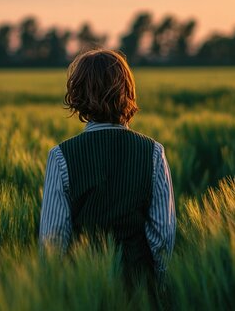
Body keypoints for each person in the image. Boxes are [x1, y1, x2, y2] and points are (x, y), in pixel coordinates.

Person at [38, 49, 176, 290]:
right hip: (138, 288)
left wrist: (55, 294)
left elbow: (53, 240)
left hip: (83, 287)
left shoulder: (60, 156)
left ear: (77, 94)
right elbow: (162, 236)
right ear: (128, 91)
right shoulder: (153, 152)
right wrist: (161, 288)